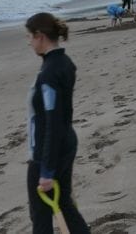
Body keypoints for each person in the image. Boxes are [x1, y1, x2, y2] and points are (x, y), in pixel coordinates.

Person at [24, 13, 91, 234]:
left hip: (47, 151)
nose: (29, 42)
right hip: (65, 143)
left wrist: (46, 170)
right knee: (63, 203)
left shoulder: (50, 73)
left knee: (41, 216)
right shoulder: (64, 62)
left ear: (40, 36)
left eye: (30, 37)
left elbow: (53, 122)